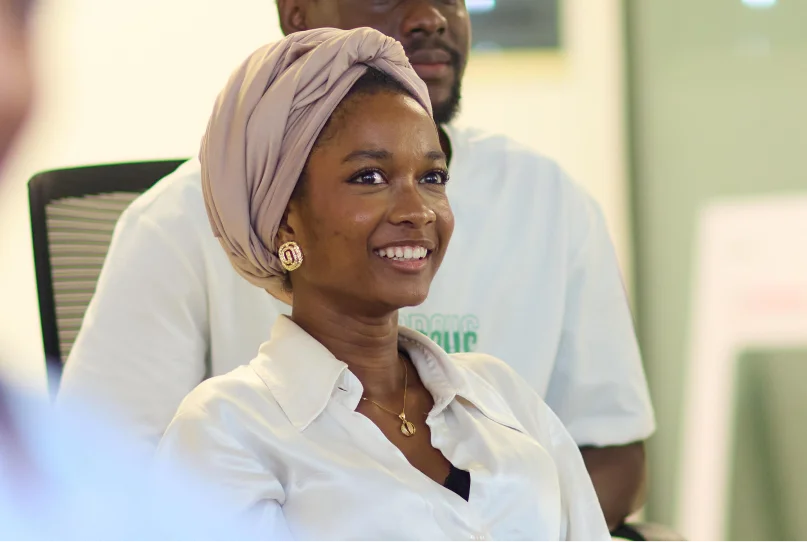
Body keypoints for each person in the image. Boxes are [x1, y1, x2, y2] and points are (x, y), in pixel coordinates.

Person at [60, 0, 654, 529]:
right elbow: (97, 484)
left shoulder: (503, 394)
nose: (417, 211)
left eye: (434, 178)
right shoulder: (229, 428)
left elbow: (604, 467)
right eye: (369, 177)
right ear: (283, 219)